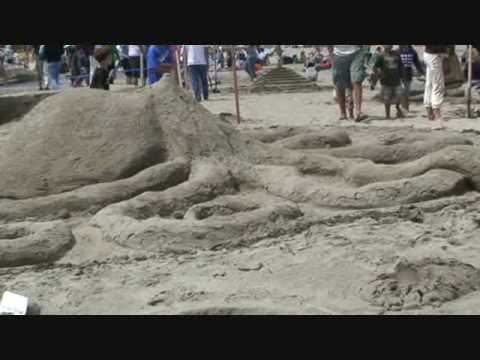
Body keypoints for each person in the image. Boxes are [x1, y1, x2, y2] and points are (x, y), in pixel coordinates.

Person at [328, 45, 368, 121]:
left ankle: (358, 111)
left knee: (357, 80)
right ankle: (343, 113)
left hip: (356, 53)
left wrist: (363, 52)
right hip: (337, 54)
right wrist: (331, 55)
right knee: (339, 84)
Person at [373, 45, 404, 119]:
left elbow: (401, 66)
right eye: (386, 46)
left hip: (396, 80)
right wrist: (379, 74)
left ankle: (398, 108)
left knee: (399, 96)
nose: (388, 47)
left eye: (390, 46)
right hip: (386, 81)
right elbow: (375, 67)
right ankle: (388, 115)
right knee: (387, 98)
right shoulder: (381, 56)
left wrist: (402, 76)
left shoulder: (397, 55)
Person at [423, 45, 448, 121]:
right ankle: (436, 112)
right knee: (438, 84)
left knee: (430, 83)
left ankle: (429, 111)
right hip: (435, 54)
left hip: (429, 54)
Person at [398, 45, 424, 112]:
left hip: (408, 75)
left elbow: (417, 63)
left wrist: (421, 72)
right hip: (399, 76)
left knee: (406, 93)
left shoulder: (412, 51)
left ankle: (406, 108)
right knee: (402, 92)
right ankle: (403, 108)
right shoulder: (397, 52)